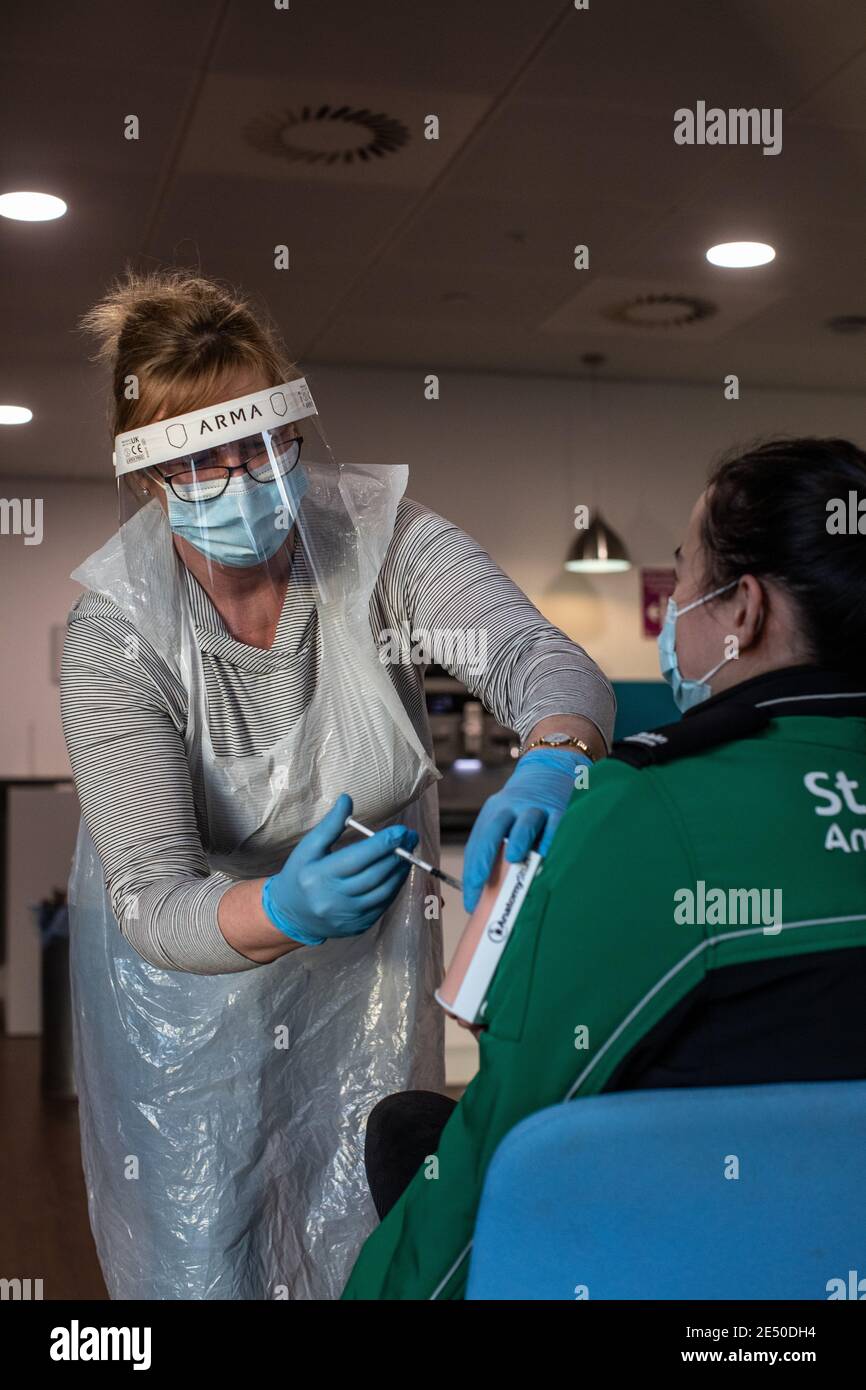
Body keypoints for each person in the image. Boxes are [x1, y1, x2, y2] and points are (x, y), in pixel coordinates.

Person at [60, 268, 615, 1300]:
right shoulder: (116, 636)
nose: (244, 477)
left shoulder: (380, 539)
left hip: (362, 966)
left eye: (263, 444)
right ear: (148, 473)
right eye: (204, 458)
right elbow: (151, 895)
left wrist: (554, 751)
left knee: (367, 1219)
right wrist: (277, 904)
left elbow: (541, 658)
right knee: (203, 1237)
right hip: (183, 985)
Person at [341, 435, 866, 1300]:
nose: (675, 611)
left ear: (745, 612)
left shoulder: (647, 816)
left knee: (416, 1132)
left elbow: (503, 1146)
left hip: (688, 1274)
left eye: (684, 575)